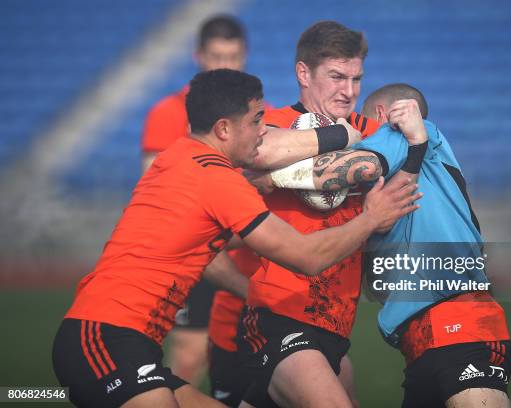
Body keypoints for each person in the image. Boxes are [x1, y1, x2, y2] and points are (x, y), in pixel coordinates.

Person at [51, 69, 419, 408]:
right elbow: (306, 256)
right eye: (257, 120)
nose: (264, 131)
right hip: (102, 339)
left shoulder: (179, 156)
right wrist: (371, 218)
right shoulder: (216, 179)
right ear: (224, 129)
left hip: (129, 346)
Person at [254, 84, 511, 407]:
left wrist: (272, 177)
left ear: (381, 116)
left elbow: (346, 168)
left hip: (455, 322)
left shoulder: (398, 133)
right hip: (420, 338)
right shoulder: (419, 163)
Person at [237, 21, 387, 408]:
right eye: (337, 76)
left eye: (356, 78)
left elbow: (407, 165)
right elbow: (258, 154)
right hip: (278, 315)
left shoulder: (371, 131)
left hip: (336, 323)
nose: (349, 91)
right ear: (303, 73)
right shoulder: (273, 122)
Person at [140, 15, 250, 387]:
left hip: (242, 253)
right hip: (193, 256)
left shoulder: (254, 115)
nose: (224, 65)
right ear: (198, 56)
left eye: (232, 56)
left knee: (252, 363)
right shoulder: (168, 113)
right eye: (216, 56)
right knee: (188, 357)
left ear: (244, 57)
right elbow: (156, 194)